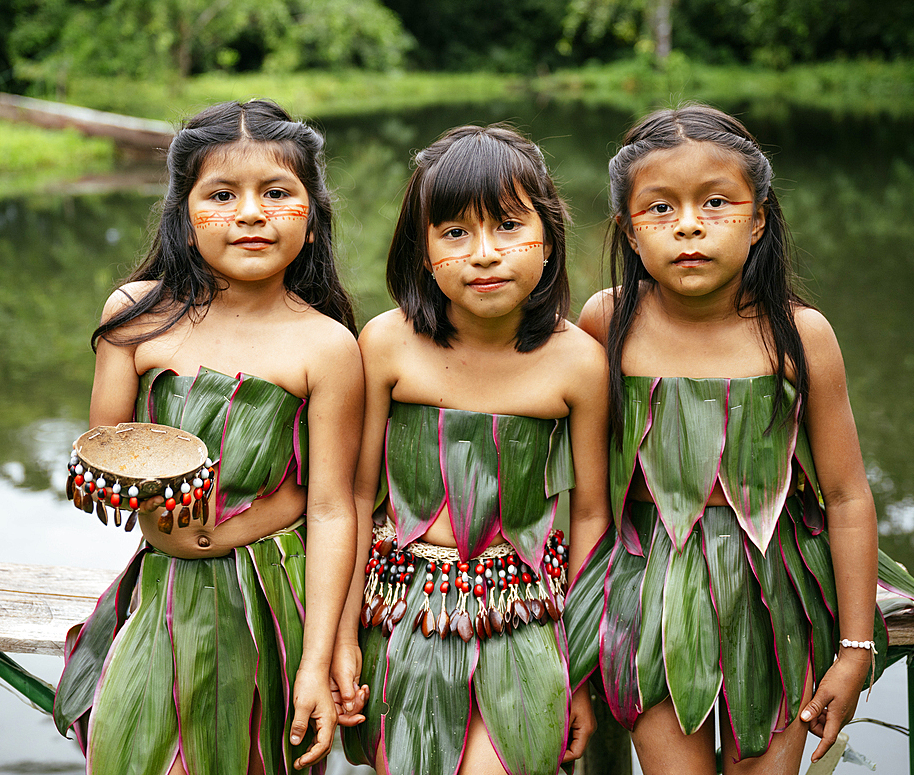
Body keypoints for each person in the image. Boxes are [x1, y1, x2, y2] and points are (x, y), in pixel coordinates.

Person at [570, 104, 914, 774]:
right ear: (628, 230)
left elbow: (845, 495)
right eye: (661, 209)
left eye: (716, 203)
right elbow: (579, 482)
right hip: (648, 602)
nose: (691, 225)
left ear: (757, 218)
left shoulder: (798, 335)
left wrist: (853, 649)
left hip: (778, 601)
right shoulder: (606, 321)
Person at [52, 100, 365, 775]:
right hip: (160, 586)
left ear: (311, 220)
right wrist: (101, 477)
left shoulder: (327, 344)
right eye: (221, 195)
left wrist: (317, 660)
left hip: (268, 587)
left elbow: (333, 506)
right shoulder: (136, 316)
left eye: (277, 193)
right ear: (184, 220)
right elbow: (103, 447)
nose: (250, 213)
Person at [340, 124, 610, 775]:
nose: (484, 253)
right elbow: (349, 498)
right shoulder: (386, 345)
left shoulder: (578, 363)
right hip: (400, 614)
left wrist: (577, 668)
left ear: (549, 237)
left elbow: (591, 514)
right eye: (455, 232)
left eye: (510, 226)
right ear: (422, 249)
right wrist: (341, 640)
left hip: (522, 617)